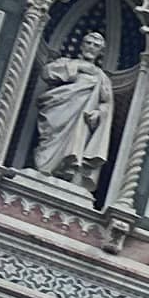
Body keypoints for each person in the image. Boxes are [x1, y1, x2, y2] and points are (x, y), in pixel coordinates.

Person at [25, 33, 115, 189]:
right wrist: (78, 67)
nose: (91, 47)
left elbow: (106, 102)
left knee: (74, 145)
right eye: (88, 42)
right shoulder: (66, 62)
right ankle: (43, 168)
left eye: (96, 45)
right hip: (58, 112)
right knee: (48, 142)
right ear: (81, 45)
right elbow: (47, 72)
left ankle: (65, 172)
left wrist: (99, 113)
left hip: (81, 121)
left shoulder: (102, 77)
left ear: (101, 51)